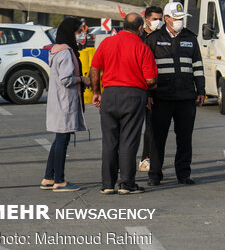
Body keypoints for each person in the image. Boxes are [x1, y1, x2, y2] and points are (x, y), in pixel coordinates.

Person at [90, 13, 157, 195]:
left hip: (109, 94)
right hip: (133, 95)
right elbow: (150, 79)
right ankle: (126, 184)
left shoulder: (107, 43)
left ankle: (107, 184)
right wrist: (150, 86)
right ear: (140, 28)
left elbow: (94, 68)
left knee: (109, 141)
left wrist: (97, 92)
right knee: (129, 140)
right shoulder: (142, 47)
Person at [145, 2, 205, 186]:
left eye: (181, 18)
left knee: (185, 138)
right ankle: (155, 175)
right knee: (158, 138)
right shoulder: (154, 38)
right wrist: (147, 94)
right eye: (176, 18)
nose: (179, 21)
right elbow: (146, 69)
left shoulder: (190, 38)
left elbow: (198, 66)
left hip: (186, 97)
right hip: (160, 97)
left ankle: (183, 174)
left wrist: (201, 90)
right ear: (167, 19)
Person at [41, 17, 90, 192]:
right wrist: (82, 79)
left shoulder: (56, 50)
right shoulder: (65, 52)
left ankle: (49, 177)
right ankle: (59, 181)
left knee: (59, 139)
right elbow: (66, 79)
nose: (81, 35)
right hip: (65, 102)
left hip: (59, 101)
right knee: (63, 140)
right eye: (78, 32)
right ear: (70, 32)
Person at [137, 5, 164, 173]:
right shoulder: (139, 38)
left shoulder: (161, 37)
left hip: (153, 88)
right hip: (137, 87)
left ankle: (145, 158)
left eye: (160, 18)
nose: (158, 22)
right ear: (146, 19)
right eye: (155, 19)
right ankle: (120, 159)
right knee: (129, 127)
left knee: (151, 127)